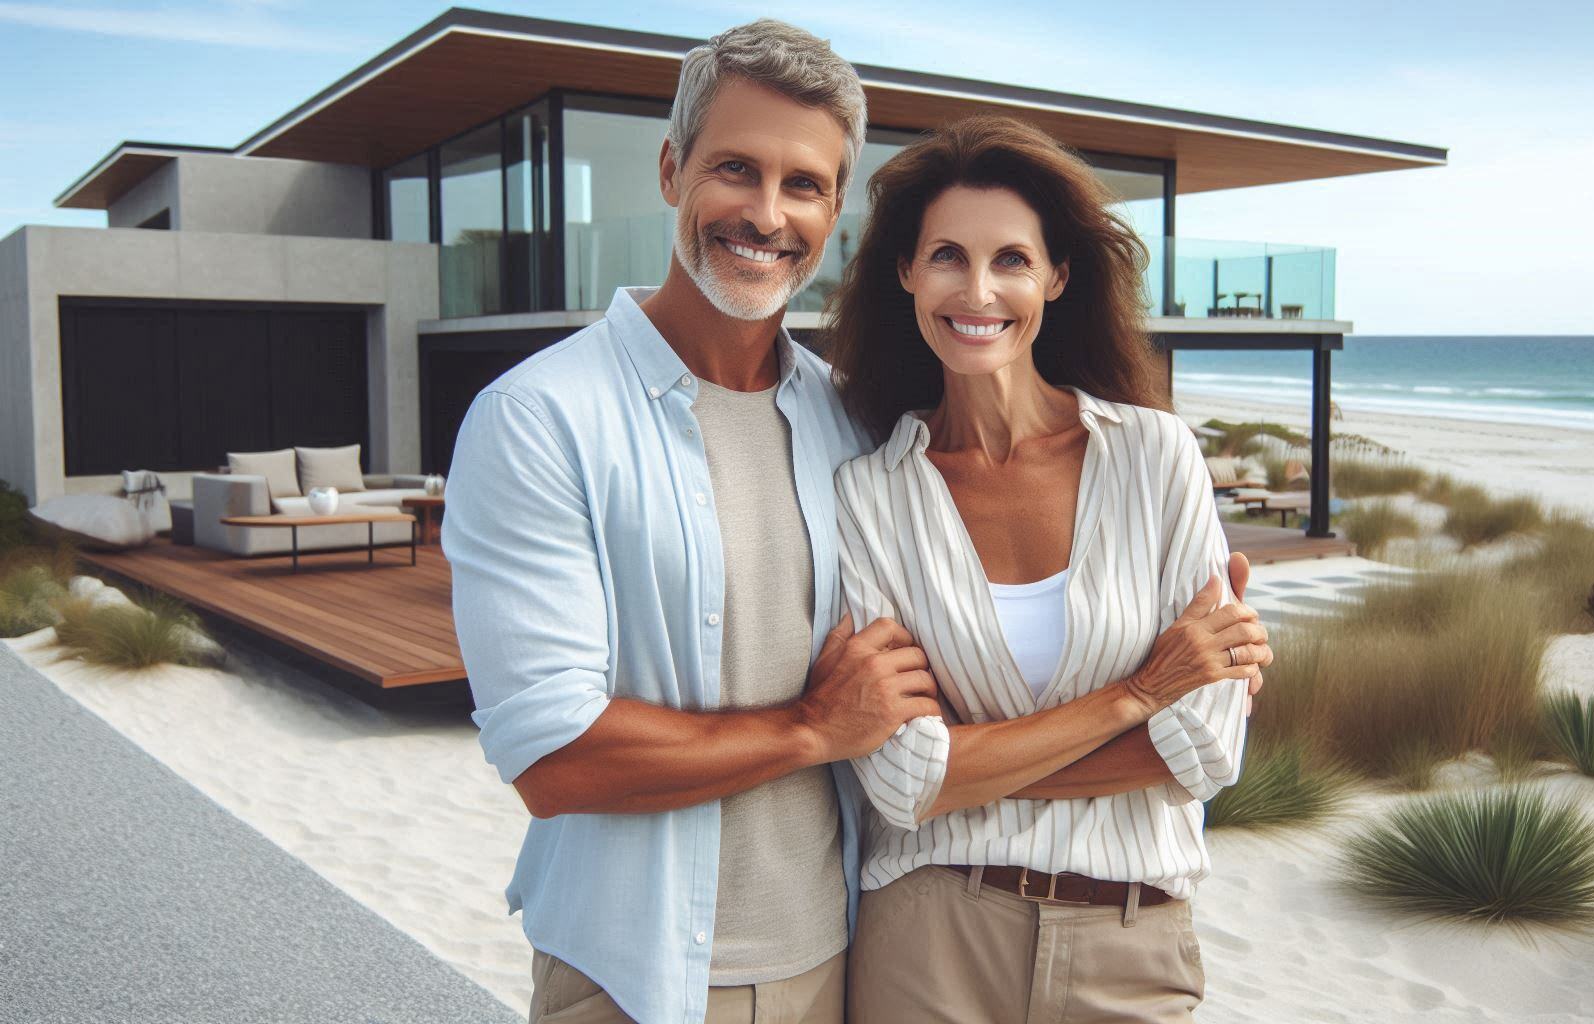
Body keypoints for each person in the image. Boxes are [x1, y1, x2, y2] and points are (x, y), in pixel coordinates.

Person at [442, 21, 938, 1024]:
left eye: (803, 184)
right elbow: (553, 755)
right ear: (672, 170)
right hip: (630, 977)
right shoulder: (539, 416)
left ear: (835, 208)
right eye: (735, 169)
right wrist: (809, 727)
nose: (765, 214)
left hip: (835, 957)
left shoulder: (850, 418)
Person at [825, 115, 1272, 1023]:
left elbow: (1210, 746)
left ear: (1057, 276)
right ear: (906, 273)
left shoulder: (1156, 457)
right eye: (947, 255)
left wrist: (968, 768)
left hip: (1130, 942)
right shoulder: (868, 496)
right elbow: (904, 781)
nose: (978, 289)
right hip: (930, 938)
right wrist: (1139, 693)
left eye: (1012, 261)